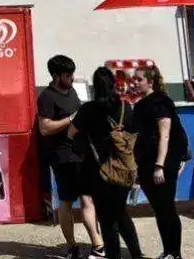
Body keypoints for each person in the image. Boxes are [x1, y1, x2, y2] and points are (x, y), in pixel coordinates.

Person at [70, 68, 144, 259]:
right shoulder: (125, 107)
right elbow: (134, 134)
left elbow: (71, 133)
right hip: (123, 167)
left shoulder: (88, 109)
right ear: (113, 84)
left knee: (106, 219)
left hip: (98, 169)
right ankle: (136, 254)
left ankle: (114, 256)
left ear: (95, 86)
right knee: (121, 212)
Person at [37, 54, 104, 259]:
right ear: (56, 76)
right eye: (67, 75)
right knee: (66, 201)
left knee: (88, 199)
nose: (72, 78)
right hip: (63, 156)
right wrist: (72, 118)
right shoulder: (46, 97)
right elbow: (45, 128)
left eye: (72, 74)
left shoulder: (72, 91)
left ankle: (98, 246)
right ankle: (73, 247)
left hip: (81, 153)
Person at [131, 65, 188, 259]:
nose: (135, 82)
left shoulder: (160, 102)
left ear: (150, 82)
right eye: (134, 79)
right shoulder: (140, 105)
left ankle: (175, 253)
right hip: (146, 163)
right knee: (158, 208)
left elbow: (165, 135)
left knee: (166, 207)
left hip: (163, 162)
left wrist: (159, 166)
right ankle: (167, 251)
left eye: (139, 79)